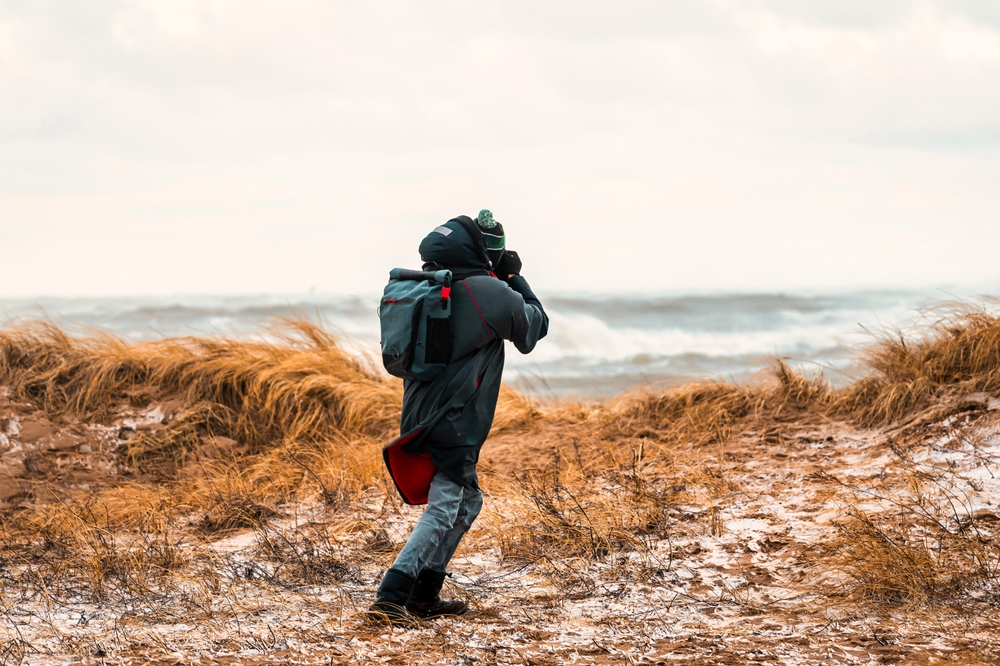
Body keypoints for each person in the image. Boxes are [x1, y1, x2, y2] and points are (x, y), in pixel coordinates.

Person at [367, 210, 548, 625]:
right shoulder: (490, 292)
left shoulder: (426, 286)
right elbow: (532, 330)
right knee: (448, 505)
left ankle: (425, 594)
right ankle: (392, 596)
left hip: (422, 412)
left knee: (468, 502)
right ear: (484, 252)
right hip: (456, 417)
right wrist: (516, 280)